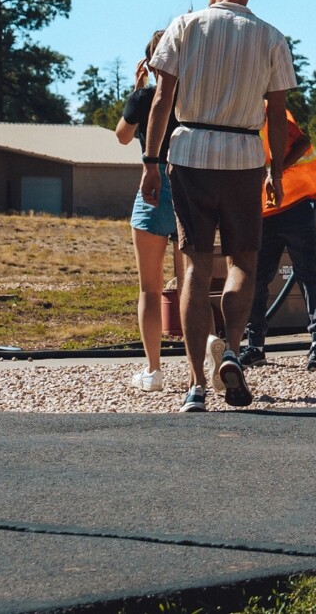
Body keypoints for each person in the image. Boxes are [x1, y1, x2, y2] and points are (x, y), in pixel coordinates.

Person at [141, 0, 298, 413]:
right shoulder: (271, 36)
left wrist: (151, 160)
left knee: (192, 265)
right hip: (245, 154)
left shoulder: (186, 26)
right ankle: (230, 348)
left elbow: (161, 100)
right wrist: (275, 170)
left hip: (190, 150)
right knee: (243, 262)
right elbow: (276, 111)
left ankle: (195, 383)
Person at [116, 29, 186, 393]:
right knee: (191, 284)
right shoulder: (192, 98)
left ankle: (154, 371)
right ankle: (198, 366)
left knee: (149, 288)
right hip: (189, 186)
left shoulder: (144, 98)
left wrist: (137, 87)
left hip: (153, 186)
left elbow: (122, 136)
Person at [241, 109, 316, 369]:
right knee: (258, 278)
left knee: (306, 272)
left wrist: (276, 171)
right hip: (265, 209)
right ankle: (255, 346)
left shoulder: (268, 112)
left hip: (297, 201)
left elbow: (303, 142)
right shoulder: (238, 115)